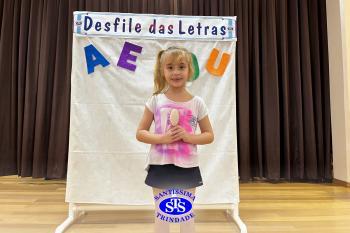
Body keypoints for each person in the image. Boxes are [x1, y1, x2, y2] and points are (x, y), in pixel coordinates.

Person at [136, 46, 214, 233]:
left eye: (181, 67)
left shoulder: (197, 103)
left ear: (189, 71)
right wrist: (162, 138)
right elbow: (140, 132)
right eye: (170, 67)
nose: (176, 72)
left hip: (188, 168)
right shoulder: (155, 100)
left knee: (185, 216)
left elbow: (209, 135)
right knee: (162, 216)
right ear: (162, 72)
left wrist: (189, 137)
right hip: (160, 166)